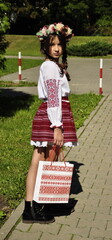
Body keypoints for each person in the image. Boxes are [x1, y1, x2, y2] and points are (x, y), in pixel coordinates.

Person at [22, 22, 78, 224]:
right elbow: (53, 97)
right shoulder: (50, 66)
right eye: (53, 44)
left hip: (48, 114)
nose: (56, 48)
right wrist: (57, 126)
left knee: (38, 162)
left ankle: (31, 208)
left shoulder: (51, 65)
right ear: (45, 46)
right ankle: (37, 205)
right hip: (51, 116)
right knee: (44, 162)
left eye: (60, 44)